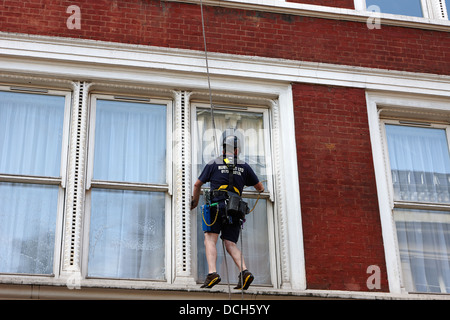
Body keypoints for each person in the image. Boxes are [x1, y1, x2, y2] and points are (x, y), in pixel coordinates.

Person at [191, 134, 264, 290]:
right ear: (237, 151)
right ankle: (244, 271)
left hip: (216, 206)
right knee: (230, 243)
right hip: (234, 209)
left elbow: (197, 185)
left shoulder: (213, 163)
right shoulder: (245, 166)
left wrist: (194, 203)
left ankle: (212, 274)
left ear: (223, 149)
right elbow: (260, 188)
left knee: (210, 240)